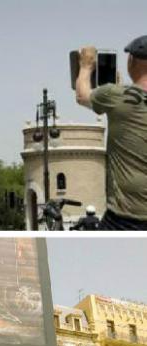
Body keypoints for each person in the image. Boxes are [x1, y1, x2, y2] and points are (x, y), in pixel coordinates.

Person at [75, 37, 147, 230]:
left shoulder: (114, 96)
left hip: (127, 219)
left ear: (131, 61)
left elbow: (82, 95)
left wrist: (86, 66)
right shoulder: (116, 96)